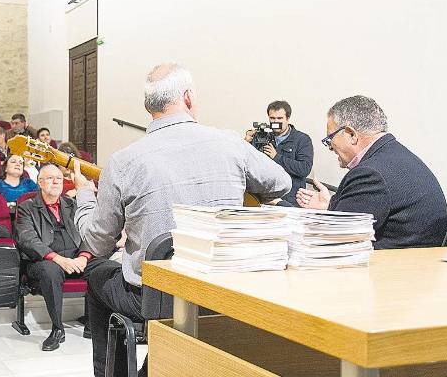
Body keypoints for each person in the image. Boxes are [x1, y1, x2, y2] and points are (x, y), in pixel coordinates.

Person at [73, 63, 291, 377]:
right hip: (222, 292)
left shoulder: (123, 161)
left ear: (147, 107)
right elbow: (281, 183)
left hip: (155, 299)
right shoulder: (230, 142)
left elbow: (97, 242)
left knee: (95, 272)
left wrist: (83, 197)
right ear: (188, 98)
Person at [296, 95, 447, 249]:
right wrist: (329, 206)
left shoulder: (370, 174)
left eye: (329, 140)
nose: (330, 147)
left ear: (351, 134)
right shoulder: (396, 156)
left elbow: (338, 240)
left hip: (394, 269)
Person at [15, 164, 105, 351]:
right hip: (45, 261)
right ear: (39, 182)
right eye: (49, 178)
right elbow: (27, 240)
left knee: (105, 267)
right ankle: (57, 328)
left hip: (75, 258)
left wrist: (84, 256)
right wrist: (57, 258)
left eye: (59, 178)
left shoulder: (71, 204)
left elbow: (89, 232)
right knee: (50, 271)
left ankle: (92, 323)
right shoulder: (26, 207)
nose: (55, 181)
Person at [244, 100, 313, 206]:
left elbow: (304, 169)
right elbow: (247, 165)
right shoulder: (261, 136)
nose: (276, 122)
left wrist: (276, 157)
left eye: (279, 118)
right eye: (272, 118)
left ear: (288, 119)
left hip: (290, 200)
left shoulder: (302, 139)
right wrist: (246, 144)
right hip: (262, 198)